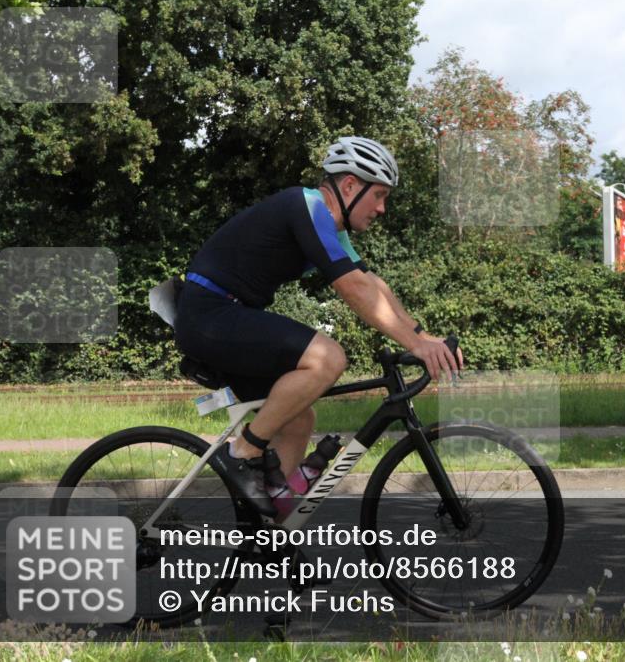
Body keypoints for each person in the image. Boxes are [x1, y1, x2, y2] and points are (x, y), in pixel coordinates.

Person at [174, 136, 462, 517]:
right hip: (209, 314)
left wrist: (423, 337)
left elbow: (373, 285)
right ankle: (242, 452)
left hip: (226, 316)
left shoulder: (330, 226)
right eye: (378, 195)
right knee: (328, 357)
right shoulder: (305, 205)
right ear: (349, 186)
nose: (382, 208)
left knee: (298, 418)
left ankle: (269, 529)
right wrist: (417, 344)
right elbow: (352, 288)